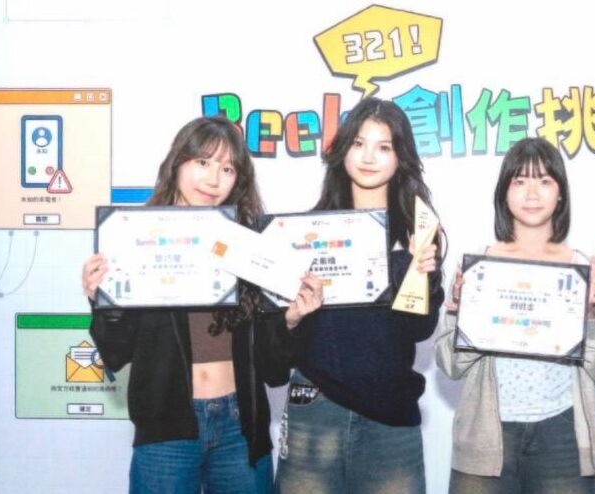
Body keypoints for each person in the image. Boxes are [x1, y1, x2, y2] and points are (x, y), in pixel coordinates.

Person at [81, 116, 283, 493]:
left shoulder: (249, 243)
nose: (213, 179)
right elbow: (116, 354)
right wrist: (105, 302)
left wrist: (292, 319)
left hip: (240, 426)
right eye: (203, 162)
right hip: (167, 426)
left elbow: (275, 368)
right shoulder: (132, 236)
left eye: (227, 169)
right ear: (177, 164)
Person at [274, 97, 445, 494]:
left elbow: (419, 330)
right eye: (358, 143)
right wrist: (292, 318)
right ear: (343, 151)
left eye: (383, 147)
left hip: (390, 414)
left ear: (400, 158)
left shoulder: (418, 232)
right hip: (316, 406)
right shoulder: (306, 232)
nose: (369, 157)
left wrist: (417, 273)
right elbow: (281, 338)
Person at [436, 137, 595, 494]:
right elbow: (449, 365)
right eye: (520, 181)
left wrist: (592, 312)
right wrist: (460, 315)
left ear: (560, 194)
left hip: (562, 433)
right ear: (504, 193)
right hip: (487, 433)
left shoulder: (580, 268)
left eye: (545, 180)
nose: (532, 193)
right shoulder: (478, 266)